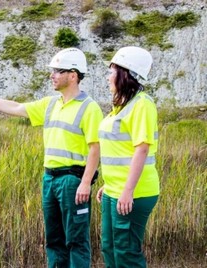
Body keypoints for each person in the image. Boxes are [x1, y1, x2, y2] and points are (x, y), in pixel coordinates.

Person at [0, 48, 103, 268]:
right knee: (54, 240)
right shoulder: (50, 104)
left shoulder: (90, 108)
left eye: (58, 71)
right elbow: (17, 107)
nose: (52, 75)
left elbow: (95, 148)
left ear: (73, 75)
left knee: (76, 241)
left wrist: (85, 183)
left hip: (72, 181)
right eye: (53, 71)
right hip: (50, 179)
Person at [96, 46, 159, 268]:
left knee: (126, 251)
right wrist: (109, 184)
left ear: (125, 73)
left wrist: (127, 190)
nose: (107, 76)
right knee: (110, 248)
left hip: (136, 192)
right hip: (115, 190)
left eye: (111, 71)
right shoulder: (120, 106)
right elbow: (120, 151)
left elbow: (141, 150)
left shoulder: (142, 104)